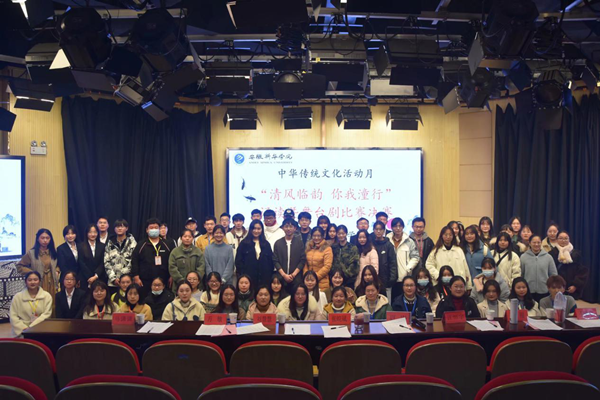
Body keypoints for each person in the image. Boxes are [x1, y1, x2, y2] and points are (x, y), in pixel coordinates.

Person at [131, 218, 173, 299]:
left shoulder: (167, 244)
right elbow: (135, 260)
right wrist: (136, 276)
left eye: (156, 227)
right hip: (145, 281)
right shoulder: (141, 244)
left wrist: (171, 276)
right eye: (151, 228)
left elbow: (172, 261)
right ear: (147, 230)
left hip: (164, 279)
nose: (154, 229)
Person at [17, 228, 60, 299]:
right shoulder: (31, 253)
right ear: (38, 239)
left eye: (47, 238)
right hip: (38, 282)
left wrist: (57, 270)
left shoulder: (53, 252)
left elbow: (58, 264)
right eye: (42, 238)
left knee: (51, 301)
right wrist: (31, 273)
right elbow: (19, 266)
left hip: (51, 282)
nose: (45, 240)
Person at [10, 271, 53, 337]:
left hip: (40, 328)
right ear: (25, 282)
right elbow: (13, 316)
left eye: (35, 280)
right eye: (29, 280)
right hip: (21, 330)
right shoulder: (17, 297)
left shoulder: (47, 296)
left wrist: (31, 327)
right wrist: (24, 329)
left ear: (39, 281)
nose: (32, 282)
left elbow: (46, 314)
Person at [387, 218, 419, 302]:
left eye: (400, 226)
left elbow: (415, 257)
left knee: (402, 301)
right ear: (391, 227)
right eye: (395, 226)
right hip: (390, 276)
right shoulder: (387, 240)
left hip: (404, 276)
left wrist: (408, 268)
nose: (398, 228)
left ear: (403, 227)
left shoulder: (409, 241)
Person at [550, 230, 588, 300]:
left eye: (566, 238)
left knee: (570, 305)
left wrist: (575, 285)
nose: (563, 240)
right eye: (561, 238)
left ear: (569, 239)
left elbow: (582, 271)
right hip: (556, 287)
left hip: (571, 288)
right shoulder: (552, 253)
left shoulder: (576, 254)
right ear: (557, 239)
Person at [235, 220, 274, 287]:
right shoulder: (244, 244)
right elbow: (238, 262)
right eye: (254, 228)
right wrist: (243, 275)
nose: (256, 231)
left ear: (262, 230)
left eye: (258, 229)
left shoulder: (266, 244)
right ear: (250, 229)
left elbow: (270, 262)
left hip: (264, 279)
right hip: (248, 279)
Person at [520, 235, 558, 302]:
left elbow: (553, 275)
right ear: (530, 243)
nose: (536, 244)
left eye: (538, 242)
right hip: (528, 291)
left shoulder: (548, 257)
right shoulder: (523, 257)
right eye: (534, 242)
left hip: (545, 291)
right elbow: (521, 274)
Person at [104, 219, 137, 296]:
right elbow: (106, 262)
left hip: (127, 281)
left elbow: (134, 261)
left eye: (122, 226)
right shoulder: (110, 243)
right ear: (114, 229)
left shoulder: (132, 243)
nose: (119, 228)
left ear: (127, 228)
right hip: (113, 282)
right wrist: (113, 278)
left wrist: (122, 278)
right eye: (117, 227)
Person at [273, 219, 306, 293]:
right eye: (286, 226)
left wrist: (293, 275)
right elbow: (275, 261)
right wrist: (284, 275)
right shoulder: (278, 243)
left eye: (291, 226)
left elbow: (302, 260)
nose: (288, 229)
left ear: (295, 228)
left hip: (296, 277)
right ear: (283, 228)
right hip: (281, 277)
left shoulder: (299, 242)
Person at [169, 229, 205, 293]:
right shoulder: (175, 252)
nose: (187, 238)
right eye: (185, 236)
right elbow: (172, 268)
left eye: (189, 237)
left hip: (196, 287)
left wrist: (195, 280)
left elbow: (202, 266)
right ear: (181, 238)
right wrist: (181, 281)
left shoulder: (198, 251)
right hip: (179, 286)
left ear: (193, 238)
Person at [372, 221, 398, 300]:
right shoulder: (371, 244)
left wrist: (392, 279)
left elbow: (393, 263)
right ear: (373, 230)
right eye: (376, 229)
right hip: (373, 279)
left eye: (380, 229)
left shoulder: (388, 245)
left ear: (384, 231)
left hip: (386, 280)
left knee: (386, 301)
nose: (378, 231)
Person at [77, 224, 107, 292]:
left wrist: (96, 276)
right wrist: (90, 277)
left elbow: (102, 262)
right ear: (86, 233)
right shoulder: (80, 246)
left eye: (95, 232)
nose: (93, 234)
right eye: (90, 232)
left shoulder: (102, 246)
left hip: (99, 277)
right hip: (85, 278)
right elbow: (81, 263)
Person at [304, 227, 333, 293]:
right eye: (314, 236)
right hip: (308, 282)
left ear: (322, 236)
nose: (316, 238)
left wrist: (314, 277)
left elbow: (327, 266)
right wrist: (307, 276)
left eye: (319, 236)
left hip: (322, 282)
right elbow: (305, 264)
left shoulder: (327, 248)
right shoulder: (309, 247)